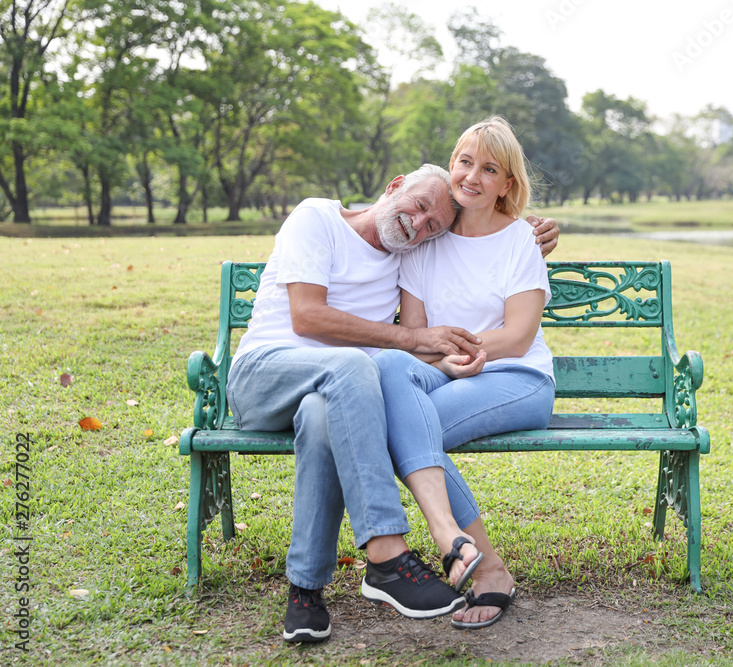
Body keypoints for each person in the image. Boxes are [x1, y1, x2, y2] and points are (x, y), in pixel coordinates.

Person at [225, 163, 559, 643]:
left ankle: (304, 592)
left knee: (326, 413)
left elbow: (475, 238)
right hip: (265, 376)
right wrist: (410, 336)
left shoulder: (407, 254)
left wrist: (525, 228)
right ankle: (386, 555)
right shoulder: (317, 218)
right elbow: (306, 316)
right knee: (356, 366)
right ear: (394, 186)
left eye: (432, 226)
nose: (418, 224)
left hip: (332, 395)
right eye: (419, 206)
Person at [374, 117, 556, 630]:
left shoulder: (522, 240)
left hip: (517, 378)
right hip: (445, 370)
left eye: (490, 169)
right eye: (465, 162)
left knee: (400, 432)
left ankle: (488, 568)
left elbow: (518, 336)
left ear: (507, 185)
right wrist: (446, 360)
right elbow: (414, 338)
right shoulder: (425, 242)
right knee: (389, 367)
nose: (473, 176)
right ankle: (474, 556)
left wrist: (467, 352)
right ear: (451, 165)